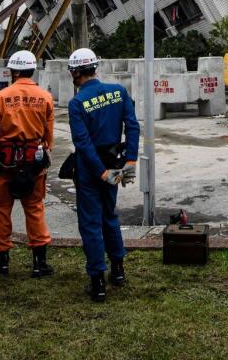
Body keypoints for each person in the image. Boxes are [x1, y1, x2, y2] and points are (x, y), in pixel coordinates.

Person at [68, 48, 139, 303]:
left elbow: (82, 142)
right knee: (109, 215)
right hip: (115, 161)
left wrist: (100, 172)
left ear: (75, 72)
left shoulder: (77, 103)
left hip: (91, 170)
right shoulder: (117, 92)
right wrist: (130, 161)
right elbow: (132, 125)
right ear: (95, 67)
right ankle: (118, 270)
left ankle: (97, 280)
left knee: (90, 222)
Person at [0, 50, 55, 278]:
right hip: (33, 162)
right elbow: (48, 136)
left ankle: (1, 261)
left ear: (13, 71)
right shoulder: (45, 97)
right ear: (33, 69)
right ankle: (39, 263)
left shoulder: (1, 97)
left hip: (6, 161)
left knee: (1, 209)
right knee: (34, 209)